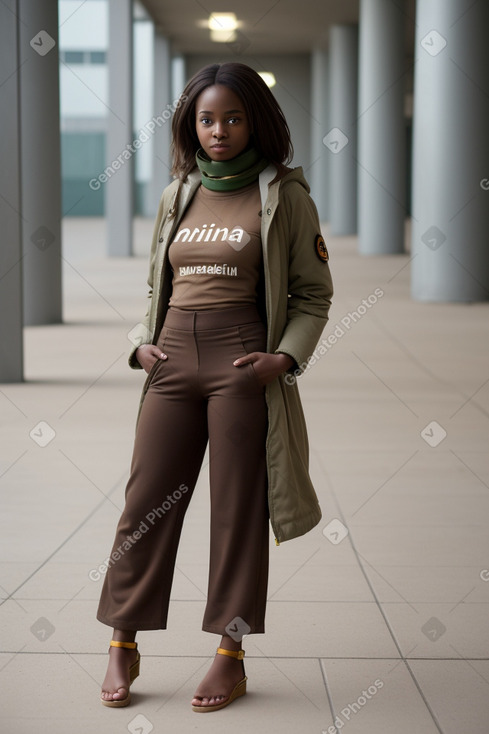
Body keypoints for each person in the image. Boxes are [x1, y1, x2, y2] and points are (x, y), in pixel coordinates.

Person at [97, 61, 333, 712]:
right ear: (189, 126)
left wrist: (281, 361)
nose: (219, 130)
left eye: (232, 117)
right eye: (206, 119)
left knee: (236, 514)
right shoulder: (179, 193)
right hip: (170, 362)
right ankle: (123, 638)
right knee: (144, 503)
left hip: (239, 363)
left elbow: (313, 296)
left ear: (255, 119)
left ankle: (229, 654)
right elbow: (158, 284)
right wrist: (142, 342)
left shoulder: (282, 194)